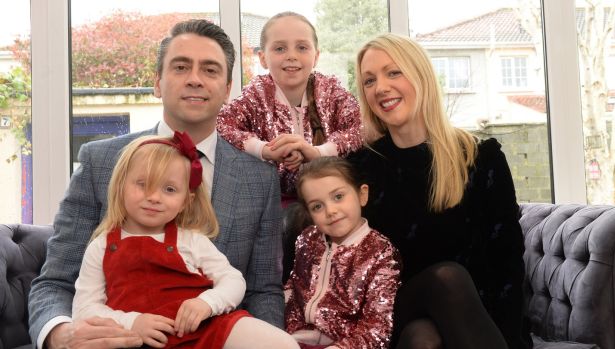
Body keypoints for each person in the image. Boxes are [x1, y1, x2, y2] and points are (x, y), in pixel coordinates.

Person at [29, 19, 284, 349]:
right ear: (158, 83)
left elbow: (263, 290)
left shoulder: (259, 178)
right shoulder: (100, 161)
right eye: (180, 67)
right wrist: (62, 335)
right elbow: (55, 281)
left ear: (226, 89)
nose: (195, 79)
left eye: (210, 70)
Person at [348, 33, 532, 349]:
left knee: (425, 338)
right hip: (391, 312)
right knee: (446, 279)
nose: (380, 87)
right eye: (369, 80)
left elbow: (507, 261)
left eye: (393, 72)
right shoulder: (360, 167)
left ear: (421, 77)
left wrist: (510, 336)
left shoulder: (480, 157)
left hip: (471, 316)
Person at [72, 132, 297, 349]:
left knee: (282, 343)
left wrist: (207, 303)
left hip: (204, 328)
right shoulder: (101, 246)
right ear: (120, 186)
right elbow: (85, 309)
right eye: (142, 184)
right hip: (140, 338)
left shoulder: (191, 240)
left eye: (169, 189)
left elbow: (233, 280)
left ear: (185, 201)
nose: (154, 197)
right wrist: (131, 322)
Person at [217, 11, 362, 201]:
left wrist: (318, 153)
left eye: (302, 47)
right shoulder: (257, 94)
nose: (291, 56)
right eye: (279, 49)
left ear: (316, 56)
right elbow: (221, 124)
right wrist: (265, 149)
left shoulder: (330, 91)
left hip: (330, 200)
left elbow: (362, 126)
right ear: (262, 58)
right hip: (273, 204)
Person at [285, 157, 401, 349]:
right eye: (317, 206)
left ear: (362, 195)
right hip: (294, 338)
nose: (330, 211)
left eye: (338, 197)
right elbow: (294, 284)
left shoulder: (380, 252)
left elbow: (377, 328)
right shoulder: (307, 239)